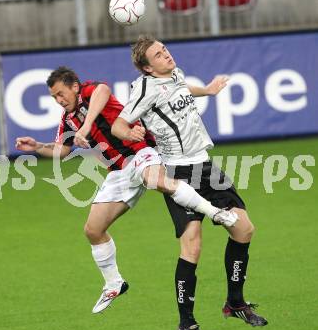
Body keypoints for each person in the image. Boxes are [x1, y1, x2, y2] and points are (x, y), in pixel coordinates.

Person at [15, 66, 237, 315]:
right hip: (118, 172)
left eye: (60, 93)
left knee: (159, 181)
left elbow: (103, 90)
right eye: (54, 97)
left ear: (75, 87)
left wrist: (86, 126)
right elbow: (61, 151)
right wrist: (36, 146)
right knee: (93, 230)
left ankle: (215, 211)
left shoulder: (91, 91)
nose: (58, 100)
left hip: (141, 150)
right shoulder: (68, 119)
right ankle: (114, 283)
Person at [112, 35, 268, 330]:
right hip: (177, 171)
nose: (166, 54)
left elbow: (182, 89)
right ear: (146, 66)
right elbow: (118, 125)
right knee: (192, 246)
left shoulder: (175, 73)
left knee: (244, 229)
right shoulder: (143, 88)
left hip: (205, 167)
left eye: (165, 49)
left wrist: (207, 90)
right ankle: (187, 325)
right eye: (159, 54)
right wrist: (131, 131)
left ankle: (235, 303)